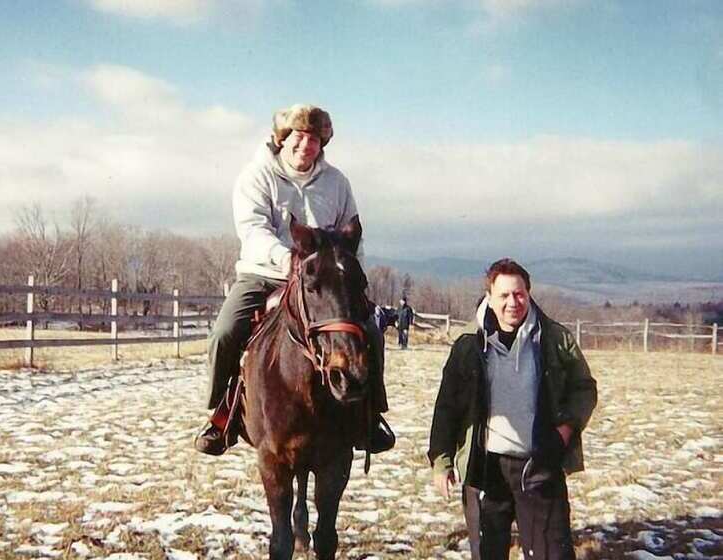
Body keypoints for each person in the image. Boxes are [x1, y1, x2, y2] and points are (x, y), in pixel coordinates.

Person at [195, 103, 395, 456]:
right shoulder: (256, 176)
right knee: (226, 332)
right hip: (266, 274)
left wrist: (350, 279)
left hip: (324, 283)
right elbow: (253, 229)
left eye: (315, 139)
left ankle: (370, 415)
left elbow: (352, 235)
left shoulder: (337, 182)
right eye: (299, 137)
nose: (306, 146)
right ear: (283, 139)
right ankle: (220, 415)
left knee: (372, 333)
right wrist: (285, 258)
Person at [427, 258, 597, 560]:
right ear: (490, 297)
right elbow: (447, 405)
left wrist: (565, 430)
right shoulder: (468, 344)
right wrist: (442, 460)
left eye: (519, 294)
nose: (512, 303)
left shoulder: (554, 338)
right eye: (504, 295)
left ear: (528, 294)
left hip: (539, 463)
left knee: (552, 553)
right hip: (485, 467)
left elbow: (584, 388)